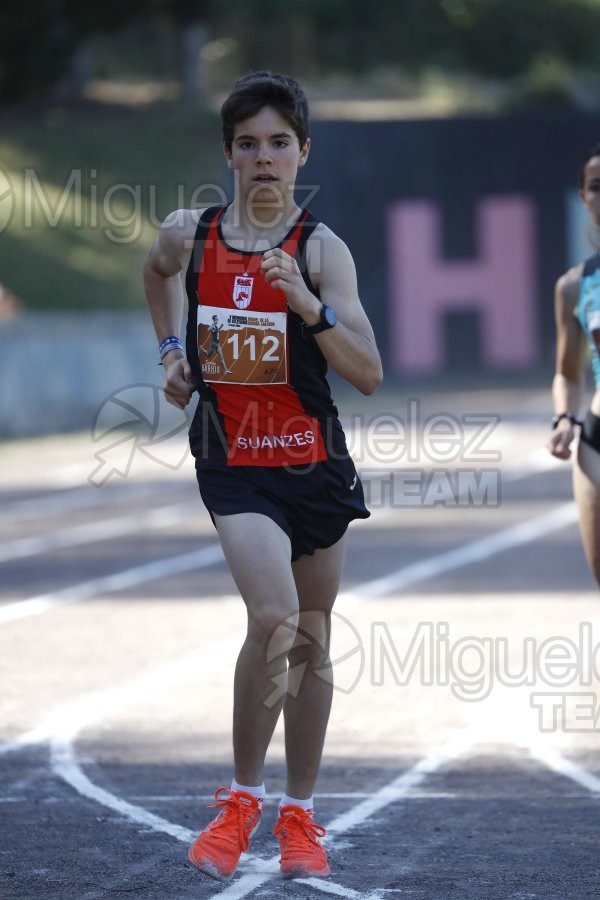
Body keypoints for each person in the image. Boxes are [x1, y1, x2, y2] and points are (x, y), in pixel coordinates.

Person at [143, 71, 383, 882]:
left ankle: (300, 818)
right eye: (248, 144)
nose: (264, 158)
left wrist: (308, 308)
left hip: (313, 461)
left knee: (312, 640)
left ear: (302, 152)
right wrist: (172, 353)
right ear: (229, 155)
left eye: (279, 143)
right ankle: (242, 801)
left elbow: (369, 373)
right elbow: (154, 270)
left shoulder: (321, 249)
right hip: (232, 459)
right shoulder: (192, 233)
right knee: (275, 617)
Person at [547, 141, 600, 587]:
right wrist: (564, 416)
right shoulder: (573, 287)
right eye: (596, 186)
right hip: (596, 445)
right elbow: (568, 371)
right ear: (584, 197)